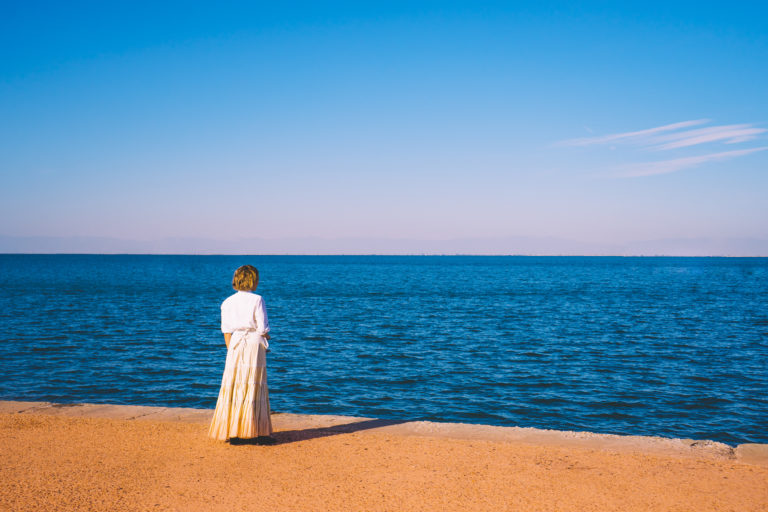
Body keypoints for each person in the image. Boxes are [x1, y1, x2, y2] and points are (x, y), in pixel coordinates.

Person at [209, 265, 275, 444]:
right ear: (253, 280)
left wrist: (231, 351)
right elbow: (262, 328)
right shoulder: (257, 300)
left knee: (234, 385)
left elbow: (226, 330)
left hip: (235, 344)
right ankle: (258, 432)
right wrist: (268, 336)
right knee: (255, 385)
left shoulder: (227, 302)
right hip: (253, 342)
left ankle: (235, 432)